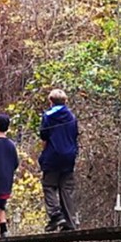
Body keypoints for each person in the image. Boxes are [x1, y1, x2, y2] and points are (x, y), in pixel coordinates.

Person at [38, 89, 79, 232]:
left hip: (53, 155)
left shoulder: (48, 116)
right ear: (65, 101)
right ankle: (70, 222)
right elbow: (74, 135)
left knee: (49, 185)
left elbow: (44, 135)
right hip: (69, 157)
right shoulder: (72, 117)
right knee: (66, 188)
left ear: (51, 101)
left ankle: (56, 215)